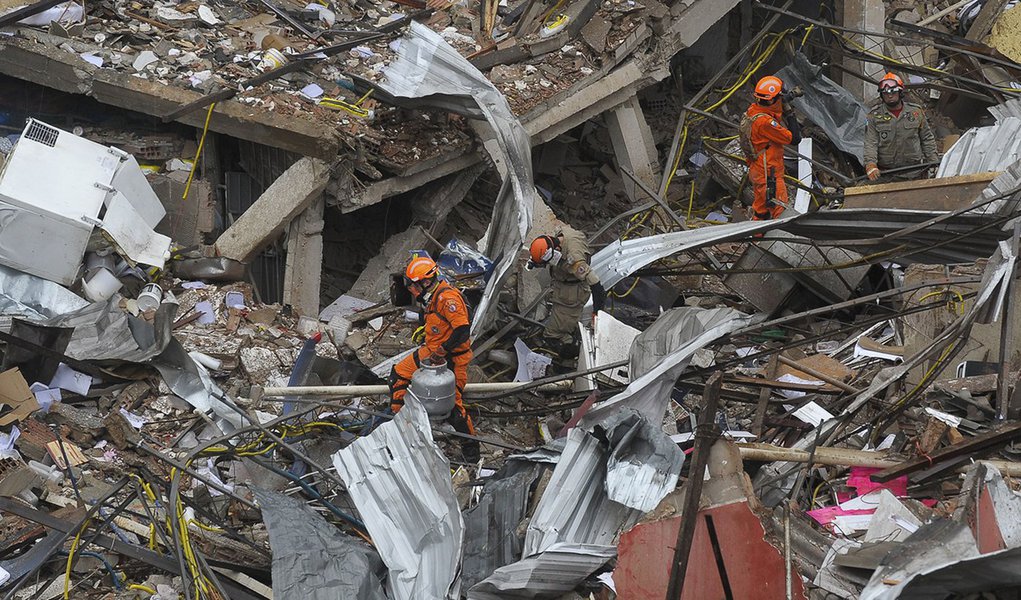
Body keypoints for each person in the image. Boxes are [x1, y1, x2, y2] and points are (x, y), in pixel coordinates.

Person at [389, 256, 479, 462]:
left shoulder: (447, 299)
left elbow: (463, 330)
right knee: (398, 376)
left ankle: (471, 452)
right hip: (431, 351)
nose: (410, 289)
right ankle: (404, 427)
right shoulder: (431, 297)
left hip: (451, 358)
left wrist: (443, 349)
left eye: (413, 285)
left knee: (453, 405)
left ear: (426, 282)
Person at [527, 225, 606, 357]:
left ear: (555, 251)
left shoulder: (574, 259)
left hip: (571, 296)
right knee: (559, 322)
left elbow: (596, 284)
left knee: (552, 335)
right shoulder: (561, 235)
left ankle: (573, 350)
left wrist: (597, 312)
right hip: (562, 286)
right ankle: (569, 329)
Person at [740, 75, 802, 220]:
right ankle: (781, 241)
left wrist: (787, 97)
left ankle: (755, 237)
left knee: (760, 210)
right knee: (780, 211)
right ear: (772, 100)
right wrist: (789, 113)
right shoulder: (766, 123)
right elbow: (794, 138)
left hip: (758, 170)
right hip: (769, 174)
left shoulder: (753, 111)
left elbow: (771, 105)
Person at [864, 72, 938, 182]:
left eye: (893, 91)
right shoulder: (874, 116)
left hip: (914, 172)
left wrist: (934, 163)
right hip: (887, 174)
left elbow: (927, 139)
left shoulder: (916, 112)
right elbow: (871, 143)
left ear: (900, 92)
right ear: (881, 95)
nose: (889, 95)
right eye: (885, 93)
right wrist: (870, 164)